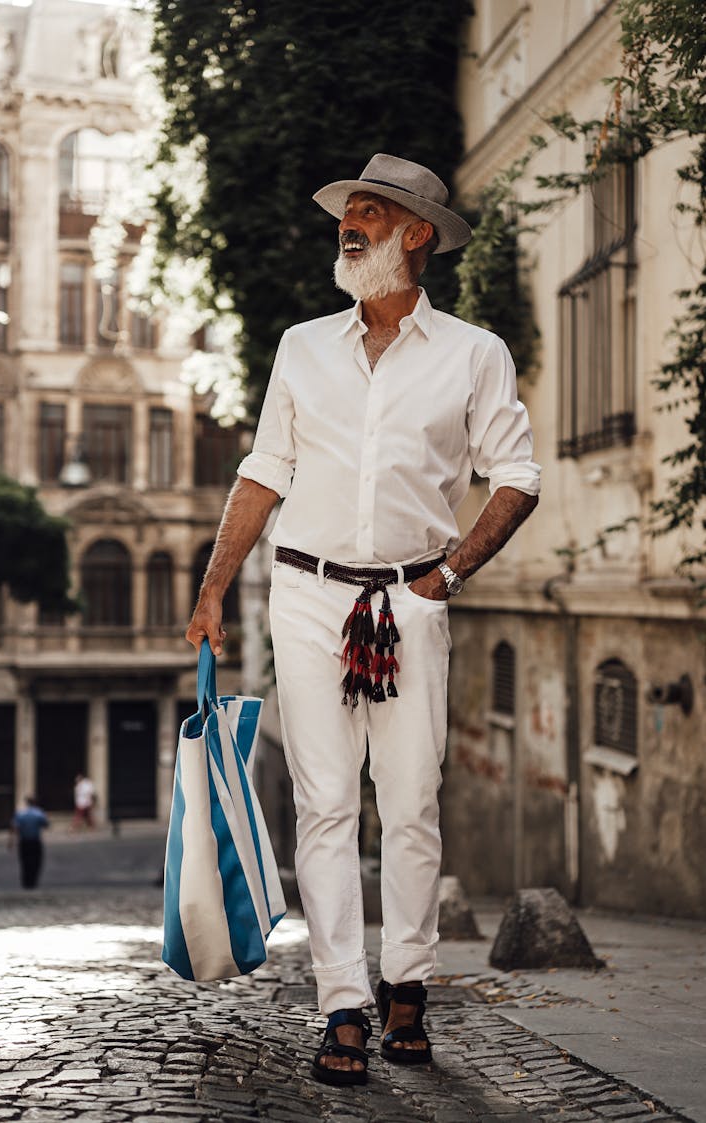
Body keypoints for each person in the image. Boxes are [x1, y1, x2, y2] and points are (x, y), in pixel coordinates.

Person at [186, 153, 540, 1086]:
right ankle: (343, 1002)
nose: (351, 223)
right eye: (348, 211)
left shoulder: (475, 353)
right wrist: (217, 582)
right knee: (327, 804)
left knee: (413, 803)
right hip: (305, 596)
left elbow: (518, 477)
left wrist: (448, 573)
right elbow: (265, 469)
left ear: (417, 234)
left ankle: (408, 990)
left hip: (410, 601)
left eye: (373, 212)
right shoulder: (302, 346)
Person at [10, 796, 49, 889]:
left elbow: (14, 827)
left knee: (25, 862)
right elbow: (46, 824)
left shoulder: (21, 814)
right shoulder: (39, 813)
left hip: (24, 842)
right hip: (35, 841)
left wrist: (11, 841)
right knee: (36, 862)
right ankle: (33, 881)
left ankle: (26, 881)